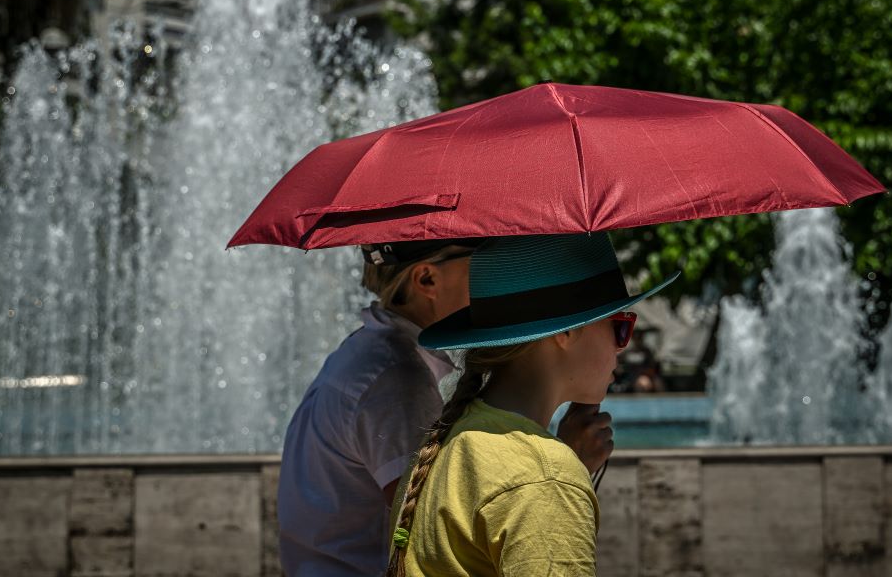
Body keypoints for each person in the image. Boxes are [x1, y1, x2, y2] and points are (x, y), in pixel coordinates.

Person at [277, 239, 618, 577]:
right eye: (481, 259)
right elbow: (430, 525)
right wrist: (563, 469)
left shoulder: (383, 364)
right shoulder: (397, 379)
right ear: (426, 280)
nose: (493, 273)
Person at [386, 233, 679, 576]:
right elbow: (529, 491)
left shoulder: (451, 439)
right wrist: (559, 476)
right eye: (619, 326)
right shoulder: (541, 478)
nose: (622, 348)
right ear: (566, 331)